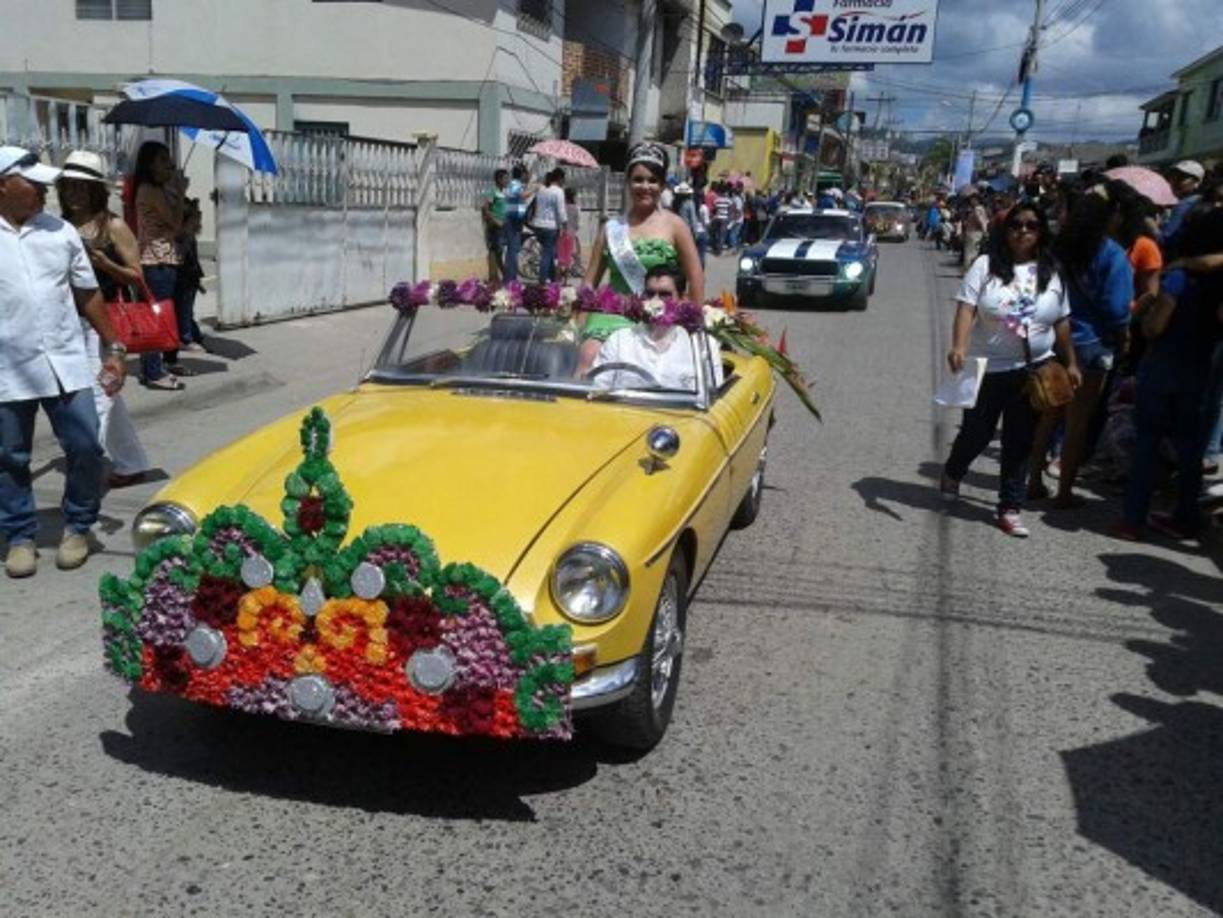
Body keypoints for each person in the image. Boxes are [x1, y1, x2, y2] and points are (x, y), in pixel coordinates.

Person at [0, 146, 128, 577]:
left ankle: (78, 525)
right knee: (10, 457)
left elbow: (87, 293)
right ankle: (19, 535)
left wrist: (115, 347)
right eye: (31, 181)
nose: (42, 188)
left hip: (65, 361)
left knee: (86, 445)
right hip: (7, 368)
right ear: (2, 185)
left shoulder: (60, 233)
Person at [941, 203, 1081, 537]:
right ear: (1005, 231)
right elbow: (966, 308)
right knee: (978, 432)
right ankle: (953, 470)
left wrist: (1071, 361)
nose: (1023, 231)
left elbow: (1062, 320)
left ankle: (1010, 506)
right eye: (1016, 224)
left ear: (1041, 231)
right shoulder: (985, 266)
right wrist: (959, 345)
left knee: (1020, 441)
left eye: (1031, 225)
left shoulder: (1052, 271)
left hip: (1034, 368)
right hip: (987, 366)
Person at [1116, 208, 1223, 541]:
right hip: (1200, 372)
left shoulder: (1177, 278)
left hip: (1163, 371)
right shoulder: (1217, 283)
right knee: (1190, 450)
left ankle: (1133, 520)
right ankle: (1185, 516)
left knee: (1148, 444)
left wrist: (1147, 316)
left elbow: (1155, 327)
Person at [1028, 186, 1133, 507]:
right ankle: (1064, 493)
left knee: (1047, 414)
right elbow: (1117, 308)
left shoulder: (1058, 249)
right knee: (1077, 422)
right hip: (1091, 345)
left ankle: (1032, 481)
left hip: (1054, 339)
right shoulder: (1112, 255)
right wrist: (1124, 336)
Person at [55, 151, 151, 489]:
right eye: (69, 186)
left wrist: (103, 264)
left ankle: (84, 464)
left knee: (97, 395)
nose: (75, 194)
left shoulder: (113, 225)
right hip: (69, 321)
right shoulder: (59, 225)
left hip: (105, 323)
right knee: (108, 395)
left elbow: (137, 275)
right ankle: (131, 462)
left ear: (97, 190)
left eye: (83, 187)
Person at [579, 142, 704, 376]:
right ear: (627, 182)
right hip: (612, 316)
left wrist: (693, 324)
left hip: (661, 316)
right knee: (590, 359)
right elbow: (589, 284)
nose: (645, 186)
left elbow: (696, 278)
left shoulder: (676, 225)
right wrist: (577, 324)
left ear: (663, 184)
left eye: (652, 180)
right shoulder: (611, 228)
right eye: (638, 179)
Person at [593, 263, 721, 391]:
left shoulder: (701, 346)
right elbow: (597, 388)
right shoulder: (619, 341)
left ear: (682, 299)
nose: (655, 301)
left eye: (665, 295)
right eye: (650, 294)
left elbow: (714, 399)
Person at [132, 141, 188, 390]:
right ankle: (153, 371)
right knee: (156, 317)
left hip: (163, 259)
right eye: (163, 160)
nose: (169, 165)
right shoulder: (149, 191)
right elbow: (175, 224)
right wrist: (180, 190)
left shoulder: (156, 189)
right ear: (150, 164)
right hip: (157, 261)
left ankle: (154, 367)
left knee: (158, 315)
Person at [530, 168, 566, 283]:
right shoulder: (558, 191)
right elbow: (561, 211)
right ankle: (542, 279)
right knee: (547, 252)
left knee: (549, 251)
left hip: (537, 225)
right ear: (560, 178)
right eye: (563, 179)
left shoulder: (541, 189)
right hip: (550, 227)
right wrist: (565, 224)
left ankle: (553, 278)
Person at [1159, 160, 1204, 249]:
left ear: (1197, 183)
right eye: (1173, 176)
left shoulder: (1187, 203)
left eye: (1182, 177)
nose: (1175, 181)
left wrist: (1148, 221)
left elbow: (1165, 240)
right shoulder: (1198, 200)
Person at [502, 164, 530, 282]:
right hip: (513, 220)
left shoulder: (515, 185)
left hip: (514, 218)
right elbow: (521, 195)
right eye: (525, 173)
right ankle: (511, 277)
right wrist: (533, 190)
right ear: (522, 174)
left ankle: (510, 276)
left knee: (513, 249)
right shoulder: (515, 184)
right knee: (513, 249)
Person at [481, 167, 508, 282]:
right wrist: (495, 220)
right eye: (505, 178)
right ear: (498, 179)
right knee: (495, 251)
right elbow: (485, 208)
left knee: (499, 251)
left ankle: (501, 275)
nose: (507, 181)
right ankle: (496, 276)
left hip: (503, 226)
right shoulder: (492, 191)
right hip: (495, 226)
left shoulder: (504, 192)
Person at [672, 181, 706, 267]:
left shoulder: (675, 202)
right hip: (686, 230)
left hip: (676, 229)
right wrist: (695, 234)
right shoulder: (689, 203)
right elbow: (693, 219)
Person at [557, 185, 581, 279]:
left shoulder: (562, 207)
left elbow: (559, 219)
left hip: (561, 233)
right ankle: (565, 281)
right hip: (571, 234)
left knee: (560, 257)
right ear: (574, 196)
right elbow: (577, 223)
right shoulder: (576, 208)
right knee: (568, 258)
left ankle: (558, 279)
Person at [710, 182, 730, 256]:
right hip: (724, 219)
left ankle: (716, 248)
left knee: (717, 234)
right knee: (722, 235)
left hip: (717, 218)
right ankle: (719, 250)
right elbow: (730, 209)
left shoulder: (717, 200)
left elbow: (714, 209)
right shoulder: (728, 200)